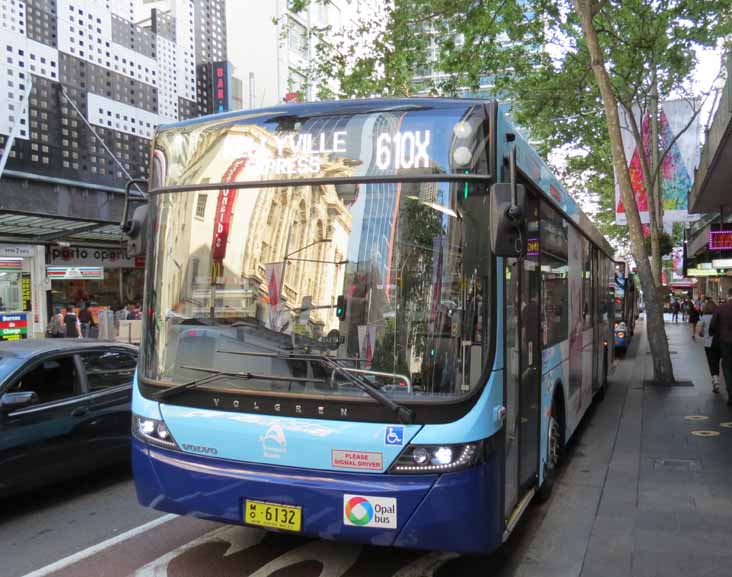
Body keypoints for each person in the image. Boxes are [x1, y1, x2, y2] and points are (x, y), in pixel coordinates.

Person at [710, 287, 732, 405]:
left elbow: (713, 325)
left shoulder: (721, 308)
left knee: (727, 366)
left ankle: (731, 393)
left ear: (728, 295)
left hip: (725, 342)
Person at [699, 300, 721, 393]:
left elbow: (700, 332)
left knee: (712, 363)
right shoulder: (718, 316)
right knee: (720, 361)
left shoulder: (703, 317)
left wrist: (702, 333)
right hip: (719, 342)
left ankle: (715, 380)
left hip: (708, 344)